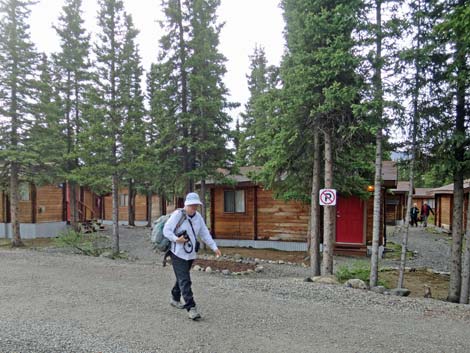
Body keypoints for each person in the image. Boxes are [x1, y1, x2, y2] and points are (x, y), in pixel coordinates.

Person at [163, 192, 222, 320]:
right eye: (191, 205)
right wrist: (176, 239)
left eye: (196, 205)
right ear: (186, 205)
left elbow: (204, 233)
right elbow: (166, 230)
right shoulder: (178, 215)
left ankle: (174, 297)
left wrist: (214, 247)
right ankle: (191, 308)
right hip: (177, 253)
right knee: (185, 280)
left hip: (190, 254)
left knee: (181, 278)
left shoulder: (198, 217)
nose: (194, 207)